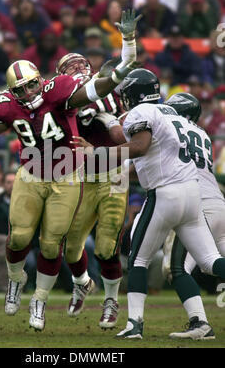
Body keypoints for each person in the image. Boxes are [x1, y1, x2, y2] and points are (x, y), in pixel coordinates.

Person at [0, 9, 139, 332]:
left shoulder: (82, 93)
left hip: (92, 173)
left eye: (80, 66)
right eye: (69, 68)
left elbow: (108, 91)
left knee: (82, 245)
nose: (29, 94)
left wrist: (126, 50)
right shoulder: (29, 101)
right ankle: (58, 282)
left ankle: (79, 300)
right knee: (46, 241)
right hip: (57, 172)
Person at [72, 68, 225, 339]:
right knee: (211, 260)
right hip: (193, 194)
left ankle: (134, 323)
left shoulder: (143, 112)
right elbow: (147, 154)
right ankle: (201, 324)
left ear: (134, 93)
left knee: (138, 258)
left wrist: (96, 152)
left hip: (166, 193)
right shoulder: (184, 122)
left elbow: (140, 146)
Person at [56, 52, 129, 329]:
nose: (76, 69)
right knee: (71, 247)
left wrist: (102, 116)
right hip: (81, 176)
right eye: (68, 67)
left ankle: (111, 301)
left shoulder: (103, 92)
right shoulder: (59, 98)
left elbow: (120, 136)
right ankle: (81, 283)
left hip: (112, 175)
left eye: (79, 64)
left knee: (106, 244)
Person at [162, 92, 225, 340]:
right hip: (218, 203)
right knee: (216, 263)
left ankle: (200, 323)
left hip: (196, 204)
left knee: (175, 267)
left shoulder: (169, 130)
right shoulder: (203, 134)